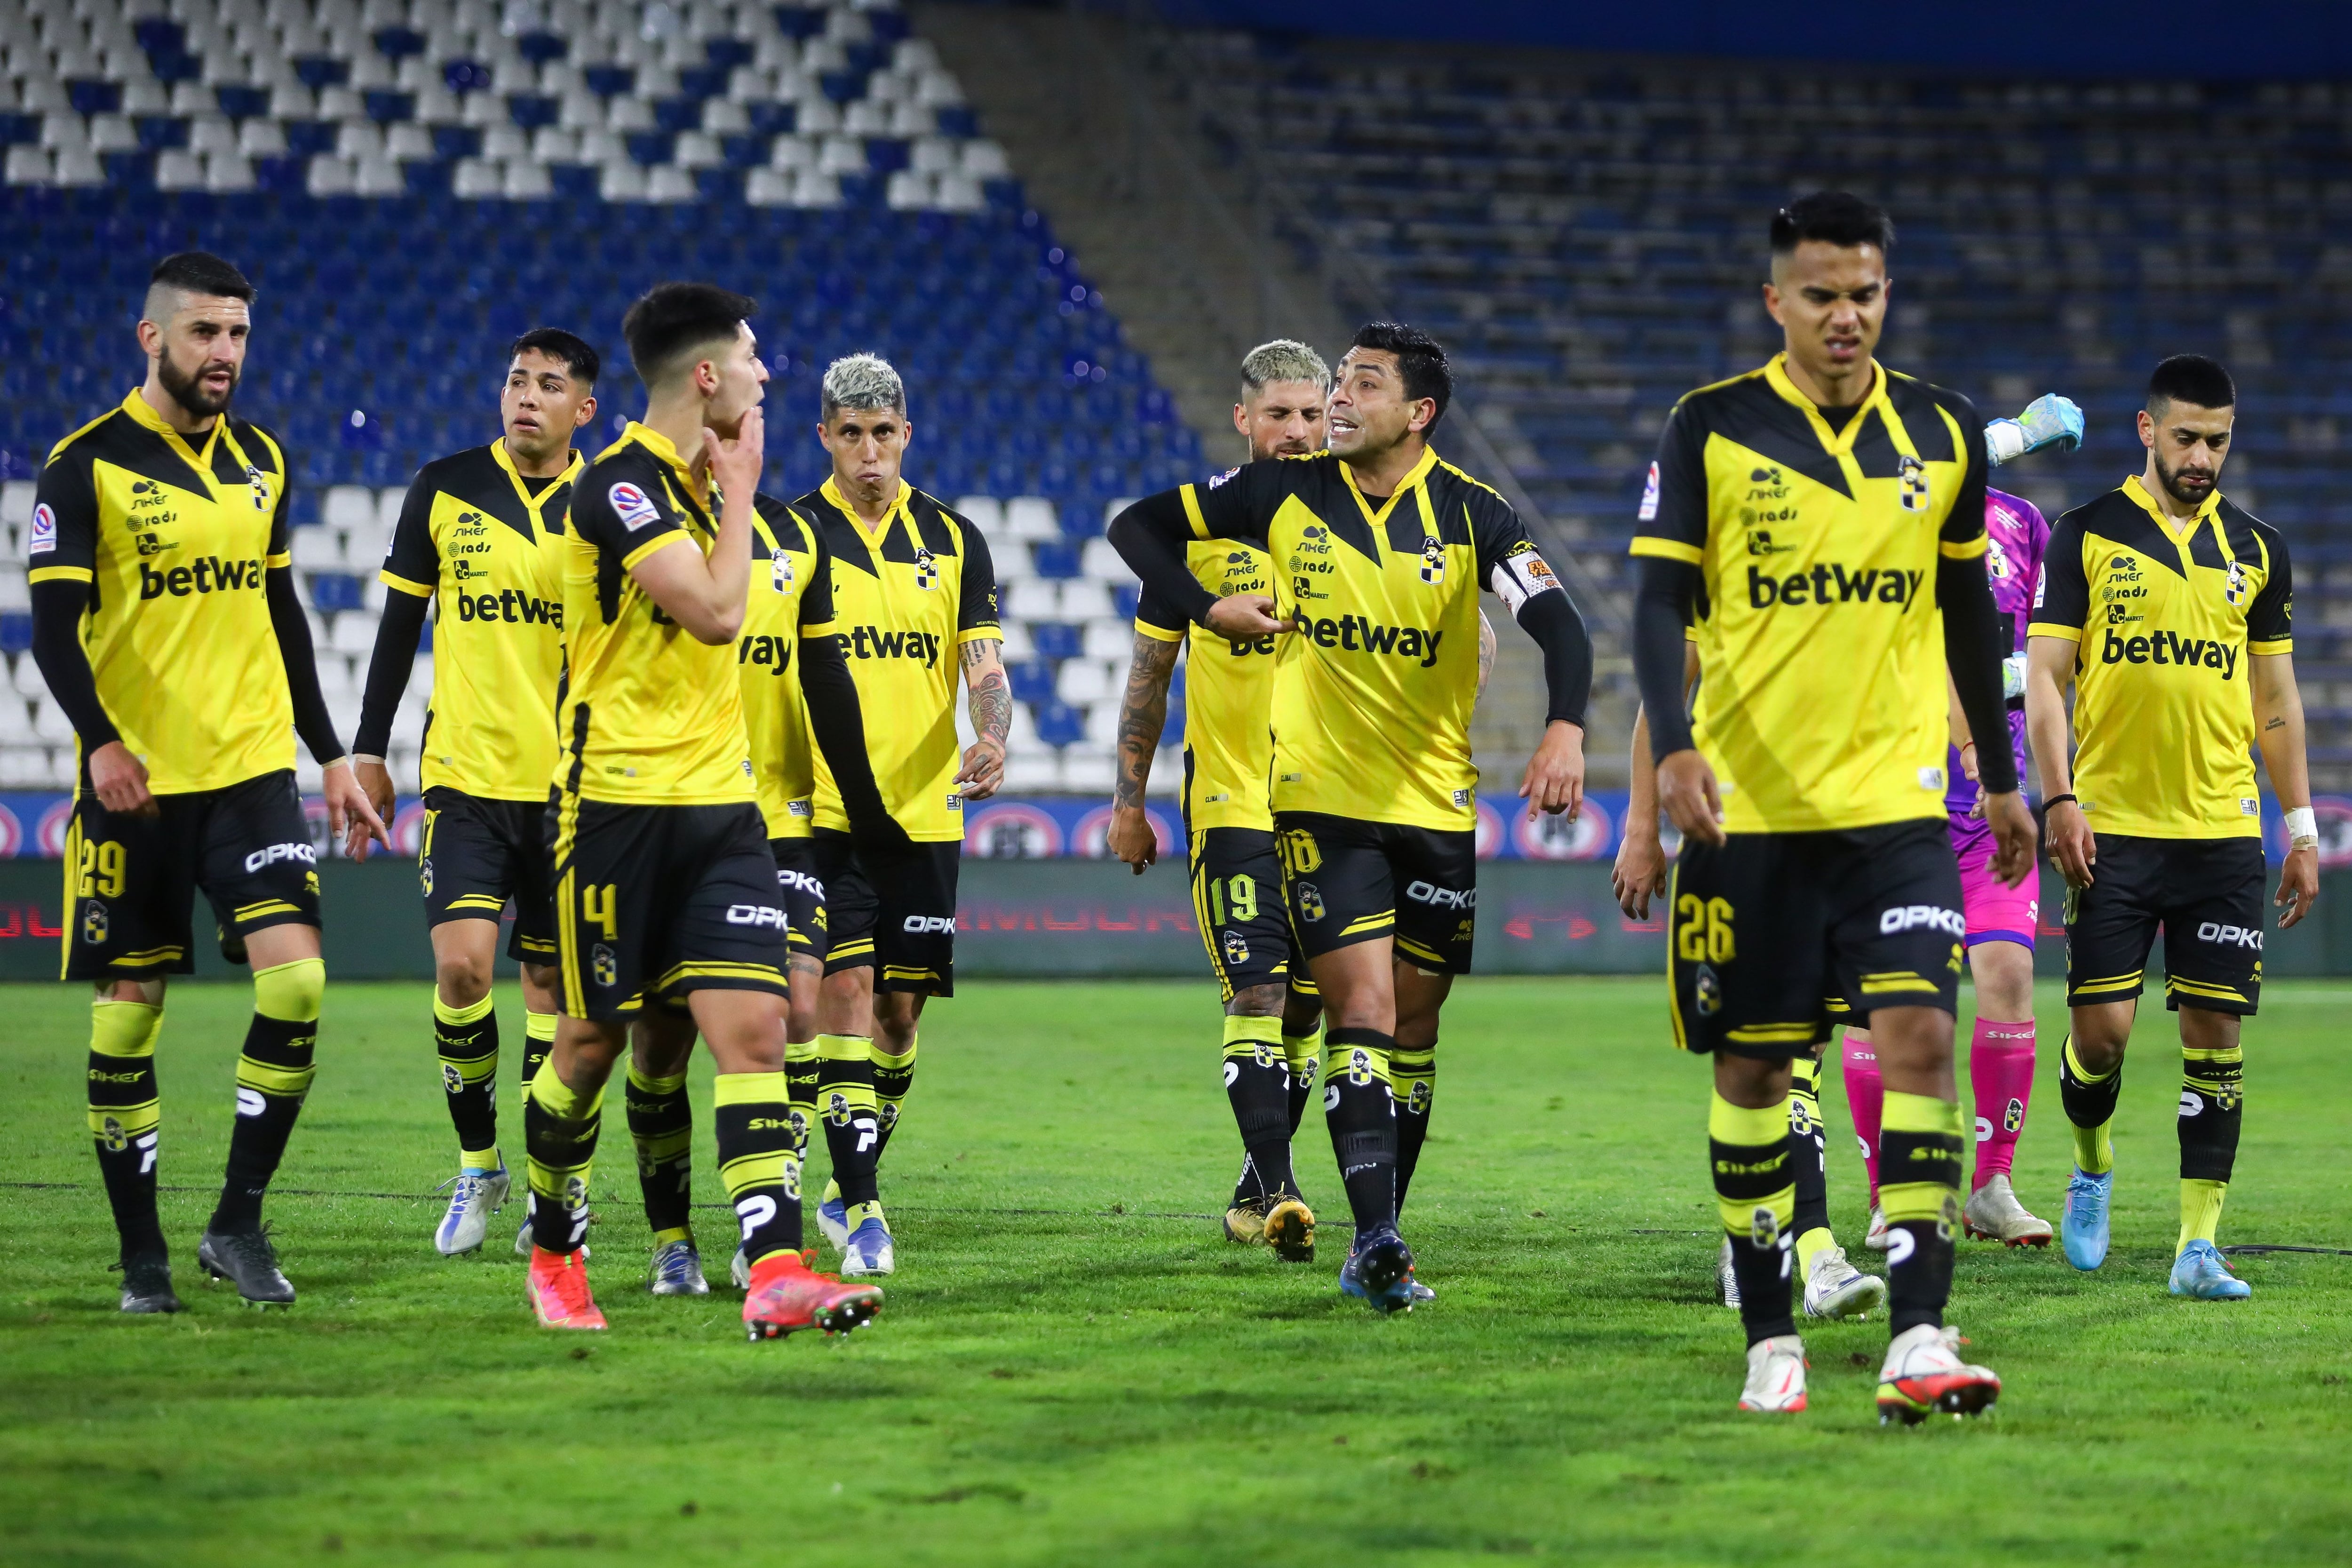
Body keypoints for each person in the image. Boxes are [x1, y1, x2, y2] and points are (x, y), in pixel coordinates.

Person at [1628, 193, 2033, 1421]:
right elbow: (1658, 608)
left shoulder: (1944, 431)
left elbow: (1969, 613)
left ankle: (1918, 1329)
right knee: (1755, 1073)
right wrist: (1672, 754)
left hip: (1897, 811)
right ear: (1776, 302)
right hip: (1751, 814)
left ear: (1885, 295)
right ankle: (1770, 1335)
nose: (1845, 315)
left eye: (1864, 293)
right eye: (1820, 295)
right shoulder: (1712, 427)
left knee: (1918, 1043)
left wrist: (2005, 782)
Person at [1110, 321, 1592, 1313]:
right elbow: (1137, 529)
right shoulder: (1280, 492)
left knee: (1415, 1024)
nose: (1337, 399)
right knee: (1357, 1011)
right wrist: (1207, 608)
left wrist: (1566, 728)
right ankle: (1368, 1233)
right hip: (1317, 803)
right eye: (1337, 381)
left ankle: (1384, 1225)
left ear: (1416, 412)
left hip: (1434, 802)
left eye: (1360, 384)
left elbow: (1558, 619)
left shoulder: (1472, 514)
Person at [1616, 394, 2082, 1315]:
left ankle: (1886, 1288)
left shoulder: (1918, 550)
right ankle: (1771, 1242)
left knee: (1910, 1031)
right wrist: (1642, 824)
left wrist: (1999, 778)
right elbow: (1662, 683)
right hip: (1758, 833)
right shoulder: (1732, 565)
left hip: (1884, 827)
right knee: (1770, 1061)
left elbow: (1964, 665)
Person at [521, 282, 879, 1340]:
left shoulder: (703, 489)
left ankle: (773, 1269)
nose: (769, 376)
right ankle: (553, 1249)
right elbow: (719, 612)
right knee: (588, 1046)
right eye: (754, 359)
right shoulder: (621, 487)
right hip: (615, 813)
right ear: (708, 374)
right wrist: (743, 493)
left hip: (723, 809)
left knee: (759, 1029)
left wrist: (732, 494)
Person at [33, 251, 386, 1312]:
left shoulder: (265, 461)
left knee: (299, 983)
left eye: (237, 333)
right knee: (129, 1013)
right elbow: (54, 630)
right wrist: (98, 739)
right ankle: (142, 1256)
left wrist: (329, 752)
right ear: (152, 338)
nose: (225, 352)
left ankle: (236, 1220)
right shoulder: (83, 464)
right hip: (137, 782)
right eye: (203, 333)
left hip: (248, 775)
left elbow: (283, 621)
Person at [2024, 354, 2316, 1301]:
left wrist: (2300, 827)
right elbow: (2043, 679)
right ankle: (2092, 1164)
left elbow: (2274, 697)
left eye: (2217, 441)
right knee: (2100, 1036)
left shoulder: (2257, 549)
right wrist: (2058, 796)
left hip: (2224, 833)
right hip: (2111, 828)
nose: (2202, 456)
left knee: (2215, 1034)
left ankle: (2197, 1244)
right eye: (2186, 437)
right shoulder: (2085, 534)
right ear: (2145, 431)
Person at [346, 328, 598, 1260]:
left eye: (550, 385)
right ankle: (478, 1161)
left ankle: (548, 1181)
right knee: (460, 970)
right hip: (464, 778)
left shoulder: (607, 506)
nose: (526, 396)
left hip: (571, 791)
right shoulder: (444, 486)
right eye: (516, 380)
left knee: (547, 990)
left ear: (586, 410)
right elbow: (397, 625)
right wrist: (368, 750)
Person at [792, 353, 1008, 1280]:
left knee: (898, 1011)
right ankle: (862, 1205)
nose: (869, 453)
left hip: (926, 815)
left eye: (883, 434)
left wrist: (993, 733)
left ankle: (848, 1175)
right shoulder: (792, 536)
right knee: (836, 997)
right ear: (825, 437)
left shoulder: (954, 540)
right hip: (828, 812)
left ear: (906, 435)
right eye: (851, 435)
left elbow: (985, 669)